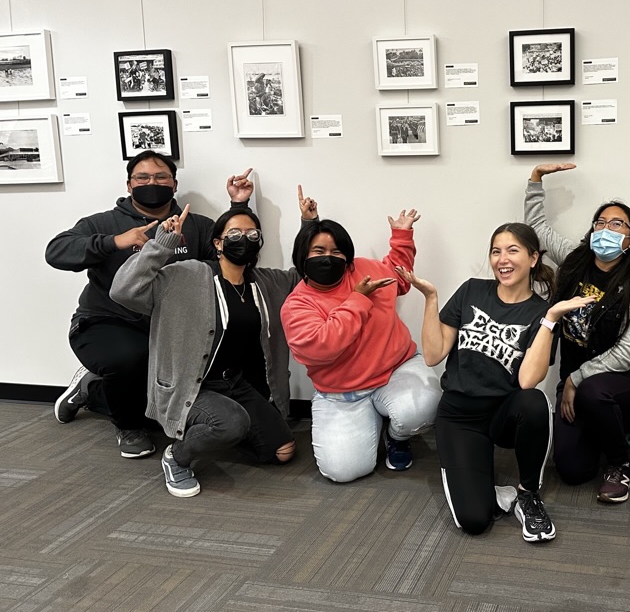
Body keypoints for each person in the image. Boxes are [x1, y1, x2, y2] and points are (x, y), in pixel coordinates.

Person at [109, 188, 317, 496]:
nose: (243, 239)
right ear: (218, 243)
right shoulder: (188, 275)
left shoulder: (266, 282)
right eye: (234, 233)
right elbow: (123, 290)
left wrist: (309, 223)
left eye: (252, 233)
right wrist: (161, 244)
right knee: (231, 423)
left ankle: (229, 427)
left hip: (235, 384)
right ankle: (177, 458)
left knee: (282, 451)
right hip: (191, 386)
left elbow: (306, 276)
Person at [45, 151, 253, 459]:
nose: (151, 183)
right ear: (129, 185)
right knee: (132, 360)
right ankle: (128, 426)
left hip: (168, 329)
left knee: (160, 402)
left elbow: (231, 255)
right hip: (108, 322)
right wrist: (113, 242)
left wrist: (239, 206)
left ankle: (94, 390)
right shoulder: (104, 222)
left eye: (160, 177)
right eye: (142, 178)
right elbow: (56, 251)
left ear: (174, 183)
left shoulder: (195, 225)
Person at [396, 223, 593, 542]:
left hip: (505, 413)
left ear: (533, 258)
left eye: (512, 250)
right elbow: (433, 355)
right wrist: (431, 298)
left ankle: (528, 494)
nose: (503, 259)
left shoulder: (540, 312)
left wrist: (550, 319)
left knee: (534, 402)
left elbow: (529, 379)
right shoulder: (471, 290)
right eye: (496, 251)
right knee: (474, 520)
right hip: (459, 418)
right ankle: (490, 487)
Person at [524, 163, 630, 504]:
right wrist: (535, 180)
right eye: (600, 223)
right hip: (578, 383)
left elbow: (627, 352)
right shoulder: (575, 261)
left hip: (621, 382)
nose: (606, 229)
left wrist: (574, 379)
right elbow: (537, 228)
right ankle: (609, 431)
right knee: (572, 471)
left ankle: (621, 463)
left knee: (591, 391)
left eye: (616, 224)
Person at [280, 210, 441, 483]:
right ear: (302, 256)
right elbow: (325, 346)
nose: (329, 257)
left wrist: (401, 237)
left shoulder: (365, 270)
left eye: (337, 251)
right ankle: (373, 418)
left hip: (395, 369)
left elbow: (399, 279)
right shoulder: (297, 305)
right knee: (342, 471)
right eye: (319, 250)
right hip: (342, 393)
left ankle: (396, 436)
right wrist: (357, 300)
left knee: (423, 406)